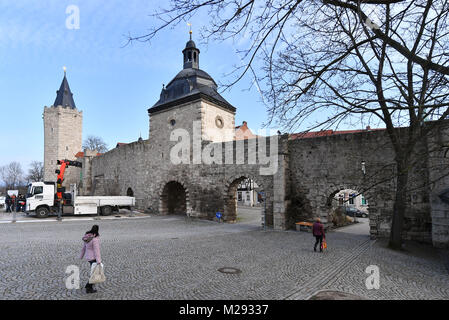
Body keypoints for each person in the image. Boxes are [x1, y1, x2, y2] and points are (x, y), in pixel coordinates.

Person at [79, 225, 102, 293]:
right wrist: (98, 261)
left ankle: (89, 287)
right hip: (93, 258)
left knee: (94, 272)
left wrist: (81, 256)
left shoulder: (87, 237)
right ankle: (88, 286)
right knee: (95, 274)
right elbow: (96, 250)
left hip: (88, 258)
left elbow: (84, 248)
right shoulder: (95, 239)